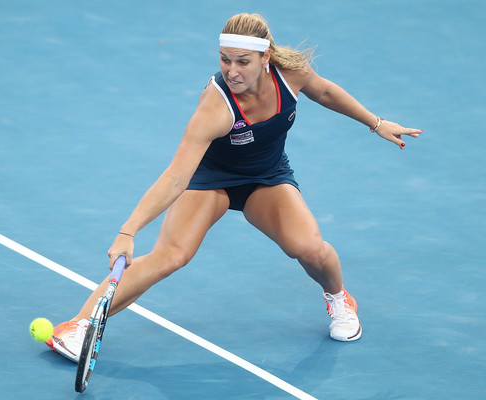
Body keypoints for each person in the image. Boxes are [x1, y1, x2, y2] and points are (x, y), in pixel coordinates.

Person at [45, 13, 422, 362]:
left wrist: (376, 122)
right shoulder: (216, 106)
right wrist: (128, 231)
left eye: (242, 61)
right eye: (225, 59)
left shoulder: (291, 74)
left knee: (307, 247)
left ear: (265, 57)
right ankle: (79, 326)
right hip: (211, 179)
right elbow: (176, 176)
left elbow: (324, 92)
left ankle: (339, 299)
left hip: (266, 177)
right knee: (170, 257)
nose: (232, 70)